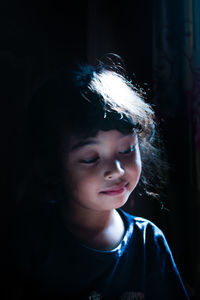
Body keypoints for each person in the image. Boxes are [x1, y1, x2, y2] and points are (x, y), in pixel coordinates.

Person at [15, 55, 190, 299]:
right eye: (90, 158)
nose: (117, 170)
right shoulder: (29, 240)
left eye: (127, 150)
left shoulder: (148, 242)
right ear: (54, 165)